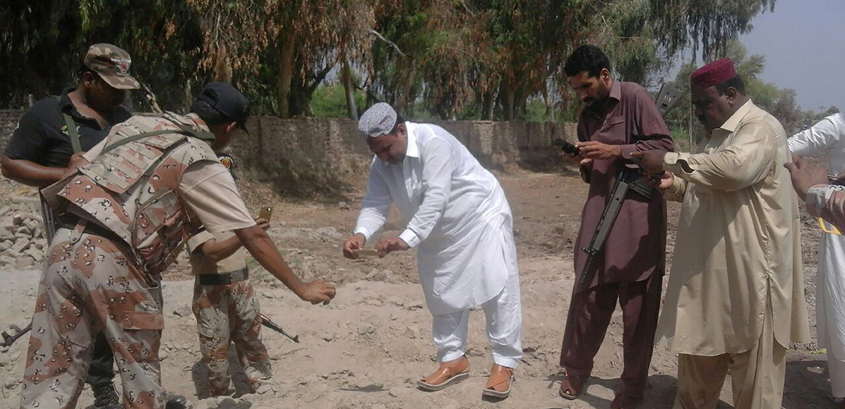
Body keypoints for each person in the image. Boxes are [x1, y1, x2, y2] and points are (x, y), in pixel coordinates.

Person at [20, 82, 336, 409]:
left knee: (52, 372)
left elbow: (76, 166)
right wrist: (302, 288)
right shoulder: (200, 159)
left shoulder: (135, 125)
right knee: (140, 379)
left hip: (64, 243)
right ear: (228, 128)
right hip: (115, 261)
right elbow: (252, 235)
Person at [632, 58, 810, 409]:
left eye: (704, 103)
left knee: (755, 388)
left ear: (731, 94)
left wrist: (667, 160)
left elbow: (734, 171)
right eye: (696, 104)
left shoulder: (760, 127)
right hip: (710, 279)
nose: (698, 112)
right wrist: (674, 183)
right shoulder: (717, 137)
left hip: (753, 280)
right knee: (697, 372)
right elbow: (709, 184)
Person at [341, 103, 522, 399]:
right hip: (436, 233)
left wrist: (407, 238)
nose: (384, 157)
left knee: (497, 288)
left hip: (480, 218)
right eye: (376, 153)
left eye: (386, 148)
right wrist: (360, 235)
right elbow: (375, 203)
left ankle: (504, 363)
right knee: (440, 292)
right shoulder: (382, 164)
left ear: (401, 130)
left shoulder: (434, 142)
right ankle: (453, 359)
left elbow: (436, 197)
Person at [2, 43, 137, 409]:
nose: (120, 95)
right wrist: (64, 173)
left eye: (124, 88)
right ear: (88, 78)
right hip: (71, 238)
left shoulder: (124, 120)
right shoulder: (47, 113)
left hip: (119, 237)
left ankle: (110, 390)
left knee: (118, 316)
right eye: (113, 86)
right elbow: (11, 163)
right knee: (72, 322)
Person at [556, 45, 673, 409]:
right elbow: (592, 172)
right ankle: (576, 369)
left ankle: (631, 389)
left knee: (637, 310)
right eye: (577, 88)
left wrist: (616, 151)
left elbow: (664, 147)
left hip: (637, 217)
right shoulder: (587, 115)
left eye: (586, 85)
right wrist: (584, 159)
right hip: (599, 211)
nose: (582, 94)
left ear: (605, 76)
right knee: (588, 296)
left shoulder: (636, 97)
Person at [186, 155, 272, 397]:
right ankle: (220, 396)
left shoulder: (234, 210)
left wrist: (253, 229)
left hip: (241, 283)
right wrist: (247, 235)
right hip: (211, 291)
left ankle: (262, 386)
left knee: (251, 340)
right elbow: (213, 252)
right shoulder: (194, 214)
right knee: (216, 350)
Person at [786, 112, 845, 406]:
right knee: (841, 310)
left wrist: (816, 192)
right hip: (839, 225)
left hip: (835, 212)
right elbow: (785, 148)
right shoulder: (840, 124)